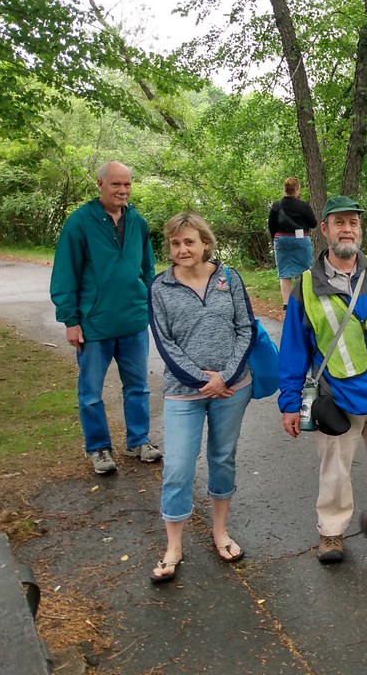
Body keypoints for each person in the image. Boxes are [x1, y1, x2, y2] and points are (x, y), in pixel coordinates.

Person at [278, 195, 367, 564]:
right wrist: (290, 403)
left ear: (360, 229)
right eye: (339, 222)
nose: (348, 228)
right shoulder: (307, 286)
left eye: (354, 222)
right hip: (338, 398)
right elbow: (293, 349)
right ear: (324, 230)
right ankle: (331, 533)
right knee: (335, 471)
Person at [147, 213, 255, 583]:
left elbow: (246, 328)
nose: (182, 250)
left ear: (205, 243)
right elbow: (165, 342)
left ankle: (220, 531)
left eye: (189, 242)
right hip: (183, 394)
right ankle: (173, 546)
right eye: (175, 243)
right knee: (177, 467)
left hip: (233, 388)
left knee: (222, 458)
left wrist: (224, 375)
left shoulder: (229, 278)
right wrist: (201, 381)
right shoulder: (160, 287)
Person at [50, 160, 162, 475]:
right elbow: (64, 275)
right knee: (90, 393)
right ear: (100, 184)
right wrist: (70, 320)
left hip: (133, 322)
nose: (123, 190)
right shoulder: (80, 223)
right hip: (93, 325)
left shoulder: (137, 221)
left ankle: (138, 441)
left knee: (138, 387)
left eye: (127, 184)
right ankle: (99, 449)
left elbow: (147, 269)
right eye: (116, 184)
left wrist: (149, 300)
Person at [269, 176, 318, 310]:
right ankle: (301, 301)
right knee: (302, 271)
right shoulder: (303, 206)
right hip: (301, 240)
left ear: (284, 189)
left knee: (284, 273)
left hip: (281, 240)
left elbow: (271, 226)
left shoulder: (276, 205)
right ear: (297, 189)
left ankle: (286, 303)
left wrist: (277, 239)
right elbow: (313, 224)